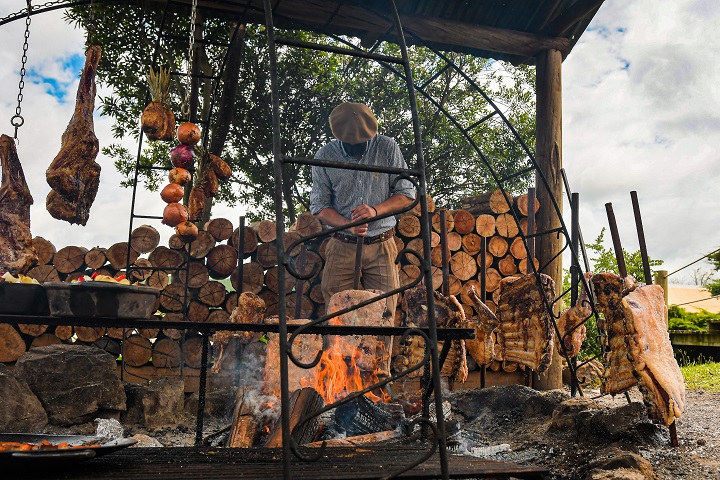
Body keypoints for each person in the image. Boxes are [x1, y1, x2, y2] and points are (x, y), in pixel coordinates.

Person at [310, 102, 415, 322]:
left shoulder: (387, 148)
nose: (358, 146)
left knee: (384, 313)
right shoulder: (324, 155)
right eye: (352, 144)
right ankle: (339, 357)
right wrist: (347, 224)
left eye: (363, 141)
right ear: (340, 136)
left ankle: (380, 356)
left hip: (382, 245)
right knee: (337, 312)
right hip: (342, 244)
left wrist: (376, 210)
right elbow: (320, 206)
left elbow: (407, 193)